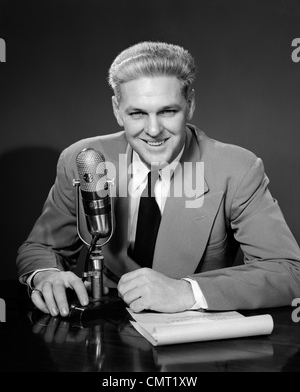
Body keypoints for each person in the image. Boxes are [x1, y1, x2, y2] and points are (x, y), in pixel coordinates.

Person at [16, 41, 300, 317]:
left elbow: (289, 272)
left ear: (189, 106)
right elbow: (41, 247)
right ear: (117, 110)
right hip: (105, 337)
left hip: (193, 346)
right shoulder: (86, 159)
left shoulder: (237, 168)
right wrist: (45, 275)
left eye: (167, 111)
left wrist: (186, 292)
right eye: (137, 113)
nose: (153, 130)